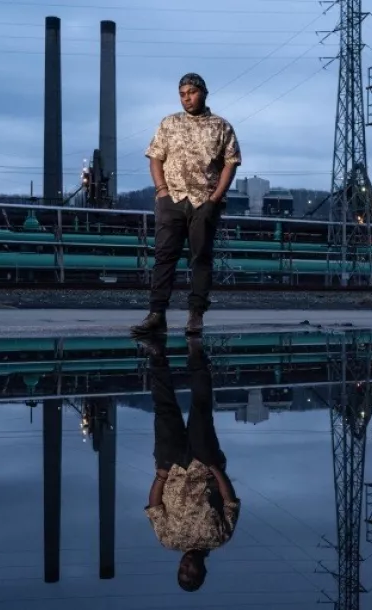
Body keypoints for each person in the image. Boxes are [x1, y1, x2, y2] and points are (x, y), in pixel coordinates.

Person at [131, 73, 242, 336]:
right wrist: (161, 191)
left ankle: (195, 316)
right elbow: (156, 157)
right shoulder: (169, 124)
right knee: (163, 257)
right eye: (182, 94)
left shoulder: (221, 126)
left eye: (191, 92)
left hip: (204, 201)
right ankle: (157, 314)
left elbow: (231, 162)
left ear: (204, 92)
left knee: (200, 258)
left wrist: (215, 198)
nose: (186, 98)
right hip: (173, 201)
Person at [142, 334, 240, 592]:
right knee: (201, 408)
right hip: (203, 464)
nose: (185, 566)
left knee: (164, 408)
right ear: (202, 571)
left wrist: (161, 476)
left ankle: (157, 354)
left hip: (170, 466)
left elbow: (154, 508)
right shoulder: (220, 537)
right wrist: (215, 469)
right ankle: (195, 353)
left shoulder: (167, 539)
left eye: (181, 571)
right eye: (191, 572)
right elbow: (230, 502)